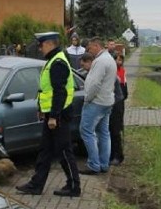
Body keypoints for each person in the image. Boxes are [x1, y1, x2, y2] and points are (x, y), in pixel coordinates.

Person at [16, 32, 81, 197]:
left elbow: (60, 93)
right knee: (45, 150)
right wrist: (42, 109)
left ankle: (74, 186)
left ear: (50, 44)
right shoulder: (53, 60)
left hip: (59, 115)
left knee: (64, 151)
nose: (39, 48)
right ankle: (36, 185)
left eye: (41, 45)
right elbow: (46, 90)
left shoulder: (57, 62)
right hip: (52, 114)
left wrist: (53, 116)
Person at [79, 36, 117, 175]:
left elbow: (95, 83)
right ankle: (103, 164)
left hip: (96, 102)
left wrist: (87, 98)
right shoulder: (110, 59)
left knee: (86, 131)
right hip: (107, 101)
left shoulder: (100, 61)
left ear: (96, 46)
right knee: (103, 133)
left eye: (90, 48)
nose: (89, 51)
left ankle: (94, 164)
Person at [109, 52, 128, 165]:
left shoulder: (121, 72)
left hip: (117, 104)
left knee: (115, 130)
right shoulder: (112, 71)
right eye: (117, 60)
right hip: (114, 102)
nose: (118, 62)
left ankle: (118, 155)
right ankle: (112, 154)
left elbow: (124, 91)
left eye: (120, 60)